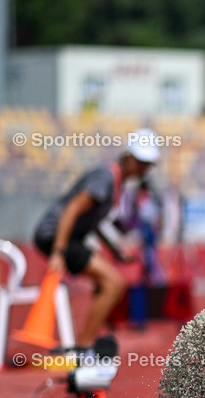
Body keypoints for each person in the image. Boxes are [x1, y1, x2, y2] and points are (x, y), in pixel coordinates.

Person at [33, 129, 161, 349]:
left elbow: (94, 220)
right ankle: (83, 349)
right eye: (141, 162)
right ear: (128, 157)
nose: (145, 168)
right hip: (55, 236)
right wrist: (58, 252)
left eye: (148, 163)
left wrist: (114, 251)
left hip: (68, 237)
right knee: (114, 283)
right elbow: (71, 211)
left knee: (110, 283)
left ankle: (83, 345)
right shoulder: (106, 177)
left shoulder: (115, 181)